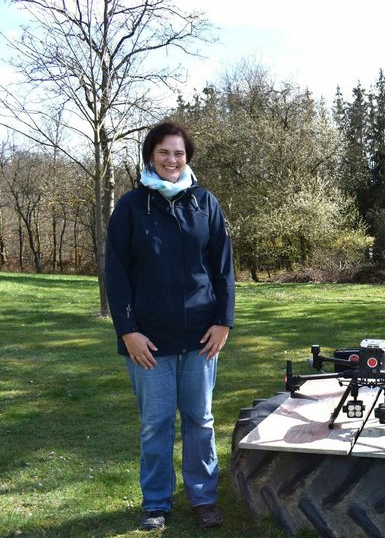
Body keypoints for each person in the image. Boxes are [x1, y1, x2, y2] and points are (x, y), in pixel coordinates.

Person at [105, 121, 235, 531]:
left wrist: (223, 322)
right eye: (164, 152)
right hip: (148, 341)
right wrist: (127, 329)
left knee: (200, 420)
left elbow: (223, 269)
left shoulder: (205, 203)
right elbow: (117, 273)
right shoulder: (130, 207)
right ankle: (156, 504)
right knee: (155, 424)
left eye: (178, 153)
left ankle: (202, 498)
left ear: (187, 157)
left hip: (201, 338)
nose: (172, 160)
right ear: (150, 156)